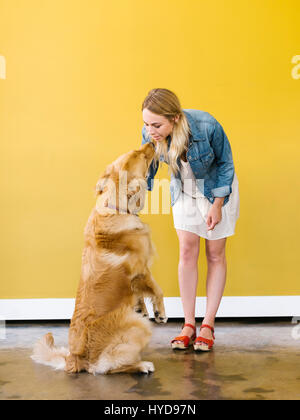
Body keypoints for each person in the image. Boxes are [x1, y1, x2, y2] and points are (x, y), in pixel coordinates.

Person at [141, 88, 240, 351]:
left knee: (215, 254)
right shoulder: (150, 133)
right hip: (183, 188)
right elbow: (147, 167)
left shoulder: (206, 125)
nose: (150, 130)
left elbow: (226, 164)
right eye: (146, 123)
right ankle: (188, 324)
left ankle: (207, 325)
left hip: (216, 188)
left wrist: (218, 204)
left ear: (174, 118)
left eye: (156, 124)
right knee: (187, 251)